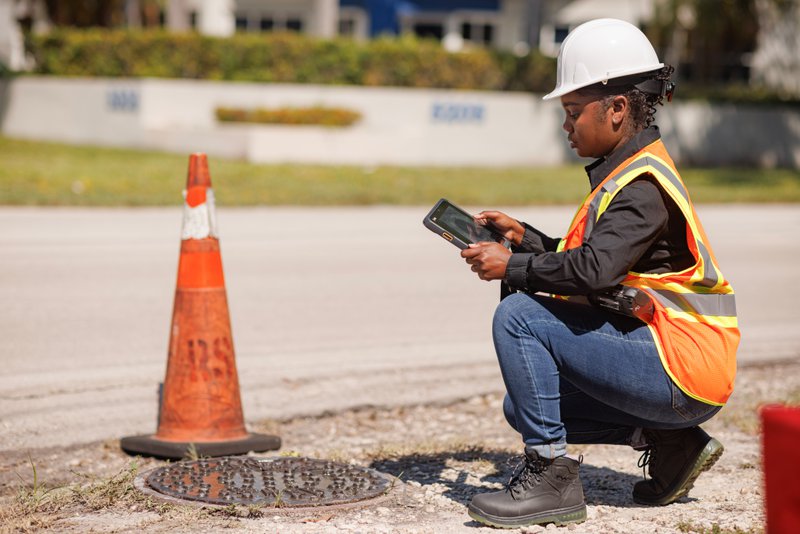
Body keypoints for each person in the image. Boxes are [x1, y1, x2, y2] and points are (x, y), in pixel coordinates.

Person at [460, 18, 740, 529]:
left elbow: (591, 271)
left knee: (521, 316)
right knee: (521, 403)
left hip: (681, 369)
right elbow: (594, 261)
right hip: (678, 372)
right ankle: (672, 442)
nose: (565, 126)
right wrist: (525, 239)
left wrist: (514, 266)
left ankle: (550, 479)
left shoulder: (641, 187)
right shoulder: (628, 172)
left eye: (572, 112)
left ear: (616, 109)